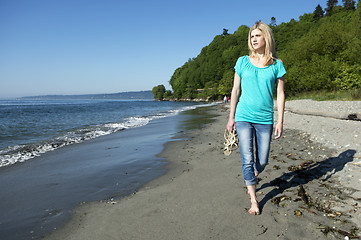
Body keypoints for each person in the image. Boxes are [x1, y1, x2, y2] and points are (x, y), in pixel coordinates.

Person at [226, 21, 286, 215]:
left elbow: (281, 93)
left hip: (265, 118)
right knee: (246, 158)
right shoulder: (242, 61)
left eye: (257, 36)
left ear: (266, 37)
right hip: (243, 116)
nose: (253, 39)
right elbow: (235, 90)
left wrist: (280, 121)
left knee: (262, 160)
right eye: (251, 36)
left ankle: (254, 172)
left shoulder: (277, 64)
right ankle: (254, 199)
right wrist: (231, 117)